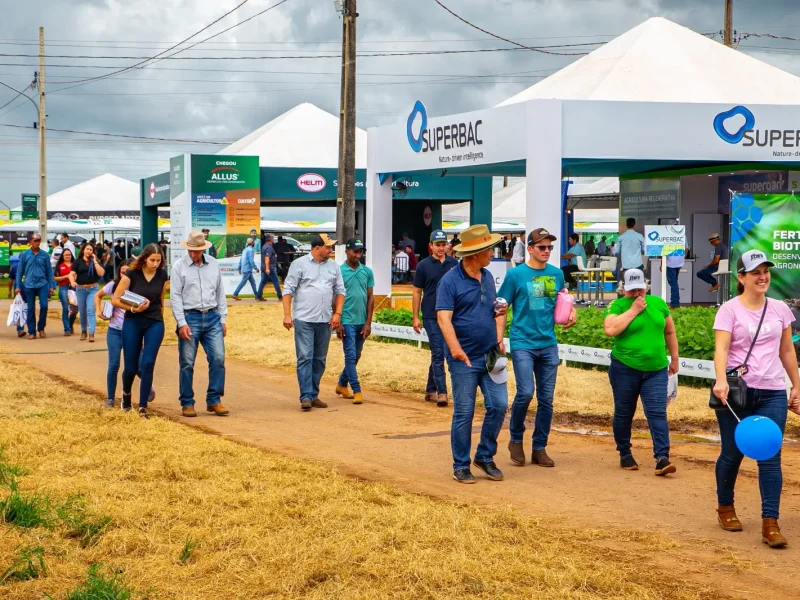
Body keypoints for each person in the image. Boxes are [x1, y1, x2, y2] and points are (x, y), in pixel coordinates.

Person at [712, 250, 800, 548]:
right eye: (755, 272)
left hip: (773, 390)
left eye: (765, 271)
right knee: (732, 452)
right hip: (737, 392)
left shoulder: (779, 309)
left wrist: (796, 385)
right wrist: (721, 380)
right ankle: (725, 507)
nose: (763, 276)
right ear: (741, 277)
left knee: (770, 454)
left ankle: (770, 523)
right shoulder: (729, 310)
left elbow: (787, 350)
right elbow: (722, 349)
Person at [498, 228, 576, 468]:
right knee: (525, 393)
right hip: (523, 342)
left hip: (548, 343)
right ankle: (515, 439)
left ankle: (539, 447)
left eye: (550, 247)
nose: (547, 251)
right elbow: (501, 307)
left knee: (547, 399)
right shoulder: (516, 275)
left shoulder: (556, 274)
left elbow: (562, 298)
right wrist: (498, 338)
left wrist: (571, 312)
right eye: (542, 247)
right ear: (529, 249)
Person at [437, 224, 509, 484]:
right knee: (464, 412)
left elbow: (493, 309)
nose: (492, 253)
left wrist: (499, 329)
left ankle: (485, 456)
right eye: (488, 249)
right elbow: (443, 318)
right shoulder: (450, 281)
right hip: (463, 358)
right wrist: (455, 349)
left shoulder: (488, 277)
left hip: (492, 354)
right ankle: (460, 465)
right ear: (474, 253)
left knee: (500, 405)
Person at [603, 268, 679, 475]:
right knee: (625, 412)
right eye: (632, 290)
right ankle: (625, 453)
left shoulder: (658, 303)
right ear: (624, 289)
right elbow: (610, 330)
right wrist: (633, 310)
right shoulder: (617, 305)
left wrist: (674, 358)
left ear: (646, 286)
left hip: (656, 369)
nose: (637, 293)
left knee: (657, 413)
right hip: (625, 368)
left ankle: (662, 458)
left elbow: (669, 331)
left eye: (640, 289)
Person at [282, 233, 345, 411]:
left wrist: (337, 314)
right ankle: (306, 396)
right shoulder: (299, 264)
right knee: (305, 357)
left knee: (319, 359)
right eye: (328, 247)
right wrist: (287, 314)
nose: (331, 250)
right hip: (304, 319)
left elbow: (340, 291)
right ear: (317, 248)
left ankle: (314, 394)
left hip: (325, 320)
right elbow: (288, 290)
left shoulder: (333, 266)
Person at [171, 232, 230, 418]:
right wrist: (181, 323)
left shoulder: (213, 264)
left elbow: (220, 291)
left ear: (203, 249)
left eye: (196, 251)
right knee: (187, 362)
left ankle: (214, 400)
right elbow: (175, 297)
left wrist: (223, 318)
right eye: (190, 250)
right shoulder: (179, 267)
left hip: (212, 316)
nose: (193, 254)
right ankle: (187, 402)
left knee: (218, 359)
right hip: (190, 317)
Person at [112, 244, 169, 419]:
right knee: (130, 366)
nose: (155, 264)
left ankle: (143, 406)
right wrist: (134, 309)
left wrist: (160, 317)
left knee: (148, 364)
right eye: (152, 260)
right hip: (133, 320)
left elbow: (160, 301)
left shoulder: (162, 275)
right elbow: (115, 300)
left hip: (154, 322)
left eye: (158, 261)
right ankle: (126, 394)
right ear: (144, 258)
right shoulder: (131, 274)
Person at [413, 230, 458, 407]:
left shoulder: (454, 264)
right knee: (438, 352)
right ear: (431, 246)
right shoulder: (423, 266)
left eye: (443, 244)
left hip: (450, 314)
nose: (441, 248)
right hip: (431, 315)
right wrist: (415, 316)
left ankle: (430, 389)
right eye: (437, 245)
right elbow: (417, 291)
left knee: (442, 352)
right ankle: (442, 392)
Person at [335, 238, 374, 405]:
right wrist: (338, 321)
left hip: (361, 320)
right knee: (350, 355)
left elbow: (370, 297)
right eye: (355, 251)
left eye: (360, 252)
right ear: (347, 252)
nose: (358, 255)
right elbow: (335, 296)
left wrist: (368, 322)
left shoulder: (367, 271)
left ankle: (342, 384)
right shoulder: (339, 271)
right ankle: (356, 389)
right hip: (347, 320)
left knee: (356, 355)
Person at [95, 258, 137, 408]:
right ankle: (111, 398)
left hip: (133, 331)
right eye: (122, 272)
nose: (125, 274)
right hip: (115, 330)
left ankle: (147, 386)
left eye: (128, 272)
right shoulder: (113, 285)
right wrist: (99, 311)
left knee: (136, 366)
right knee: (114, 364)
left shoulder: (137, 286)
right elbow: (98, 295)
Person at [14, 233, 55, 340]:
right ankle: (31, 331)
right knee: (31, 308)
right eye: (35, 240)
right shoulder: (25, 255)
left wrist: (51, 286)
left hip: (42, 284)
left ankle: (41, 328)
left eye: (38, 240)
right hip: (29, 285)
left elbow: (49, 272)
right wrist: (18, 286)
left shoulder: (45, 255)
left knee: (44, 306)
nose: (37, 242)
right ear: (31, 242)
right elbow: (20, 272)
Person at [69, 242, 105, 342]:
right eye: (87, 249)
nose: (89, 251)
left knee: (90, 310)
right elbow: (72, 274)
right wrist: (72, 281)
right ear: (83, 250)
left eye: (91, 249)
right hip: (80, 288)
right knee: (83, 311)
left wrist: (95, 261)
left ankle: (91, 333)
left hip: (92, 288)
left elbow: (101, 273)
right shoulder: (78, 262)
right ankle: (83, 331)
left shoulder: (95, 261)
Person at [54, 248, 78, 336]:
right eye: (66, 255)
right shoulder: (60, 265)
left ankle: (70, 324)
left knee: (75, 309)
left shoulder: (75, 264)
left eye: (69, 254)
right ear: (62, 256)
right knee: (65, 308)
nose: (68, 256)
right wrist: (66, 277)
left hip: (74, 288)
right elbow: (55, 278)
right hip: (63, 287)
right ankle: (67, 329)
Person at [256, 233, 282, 301]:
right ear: (270, 239)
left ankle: (259, 295)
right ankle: (280, 296)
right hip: (269, 266)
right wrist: (267, 268)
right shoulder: (269, 247)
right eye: (273, 238)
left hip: (264, 266)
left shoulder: (264, 246)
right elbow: (267, 258)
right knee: (276, 281)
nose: (273, 239)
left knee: (263, 281)